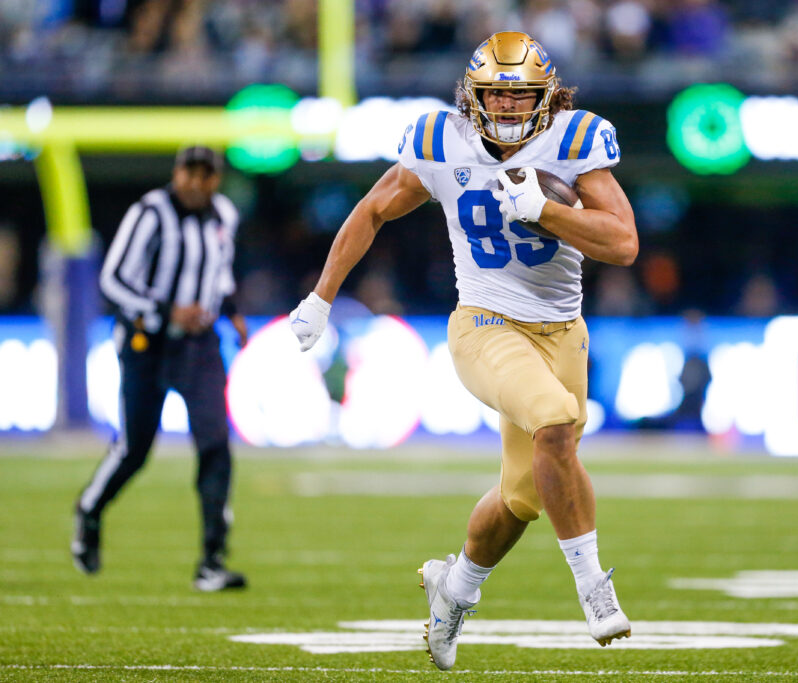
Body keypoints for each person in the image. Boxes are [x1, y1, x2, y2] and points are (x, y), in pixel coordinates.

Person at [290, 31, 638, 669]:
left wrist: (548, 211)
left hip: (563, 331)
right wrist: (321, 296)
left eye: (522, 97)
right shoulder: (439, 140)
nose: (507, 109)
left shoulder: (574, 140)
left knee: (525, 497)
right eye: (494, 98)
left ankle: (454, 589)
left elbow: (622, 244)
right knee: (556, 424)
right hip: (484, 323)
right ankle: (593, 587)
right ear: (470, 96)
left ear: (547, 95)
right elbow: (372, 210)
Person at [72, 145, 249, 592]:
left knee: (215, 445)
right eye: (189, 172)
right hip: (146, 342)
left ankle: (212, 559)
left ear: (216, 179)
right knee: (135, 450)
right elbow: (112, 278)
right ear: (176, 173)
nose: (196, 182)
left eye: (205, 174)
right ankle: (90, 509)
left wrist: (232, 310)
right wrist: (166, 309)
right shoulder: (149, 212)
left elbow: (220, 272)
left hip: (199, 346)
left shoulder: (224, 214)